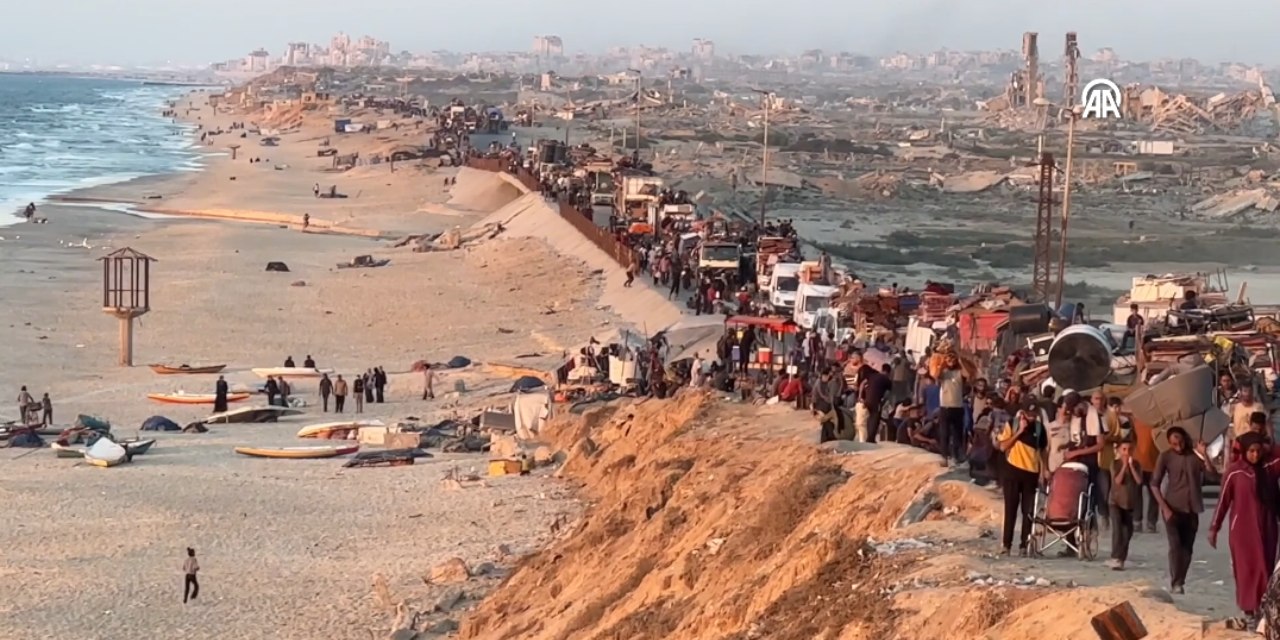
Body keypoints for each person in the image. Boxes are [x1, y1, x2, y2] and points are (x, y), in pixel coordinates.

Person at [1210, 431, 1280, 626]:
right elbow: (1223, 501)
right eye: (1251, 451)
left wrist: (1268, 445)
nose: (1255, 455)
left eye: (1258, 451)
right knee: (1246, 570)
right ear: (1244, 451)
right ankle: (1249, 610)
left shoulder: (1269, 468)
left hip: (1267, 529)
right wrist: (1214, 528)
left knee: (1266, 569)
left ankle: (1264, 610)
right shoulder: (1234, 472)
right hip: (1242, 531)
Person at [1151, 426, 1213, 594]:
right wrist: (1164, 508)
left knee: (1187, 549)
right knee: (1175, 546)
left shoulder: (1195, 456)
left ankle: (1180, 581)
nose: (1177, 445)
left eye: (1179, 441)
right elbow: (1154, 484)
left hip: (1192, 508)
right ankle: (1175, 582)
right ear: (1169, 443)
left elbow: (1212, 475)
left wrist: (1204, 454)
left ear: (1184, 439)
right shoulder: (1165, 457)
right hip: (1172, 507)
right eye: (1173, 443)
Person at [996, 406, 1048, 556]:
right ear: (1023, 413)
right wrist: (1019, 432)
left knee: (1028, 512)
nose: (1031, 417)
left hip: (1031, 474)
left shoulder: (1039, 428)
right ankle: (1006, 545)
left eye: (1034, 414)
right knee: (1010, 510)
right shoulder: (1011, 424)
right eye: (1029, 414)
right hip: (1012, 472)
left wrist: (1044, 470)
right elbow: (1003, 446)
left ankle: (1024, 546)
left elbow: (1043, 450)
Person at [1109, 439, 1143, 570]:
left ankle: (1122, 557)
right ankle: (1116, 557)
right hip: (1115, 501)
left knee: (1127, 531)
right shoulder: (1115, 464)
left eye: (1129, 449)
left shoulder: (1137, 465)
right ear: (1119, 450)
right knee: (1117, 529)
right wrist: (1124, 466)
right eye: (1124, 449)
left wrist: (1132, 467)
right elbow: (1117, 480)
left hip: (1129, 502)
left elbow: (1139, 481)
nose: (1126, 452)